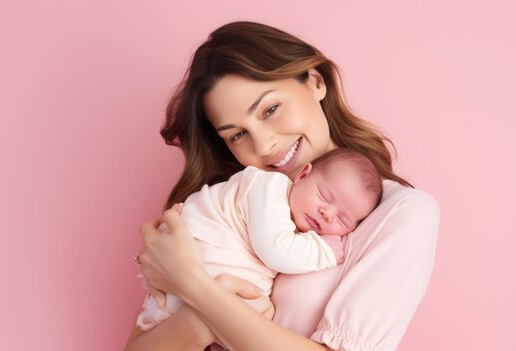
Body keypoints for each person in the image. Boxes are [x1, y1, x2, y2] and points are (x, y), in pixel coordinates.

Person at [124, 21, 440, 351]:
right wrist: (199, 314)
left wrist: (193, 284)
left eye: (270, 109)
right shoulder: (226, 207)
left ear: (316, 82)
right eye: (237, 135)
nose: (262, 146)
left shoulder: (401, 213)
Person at [136, 148, 382, 332]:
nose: (326, 213)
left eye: (342, 220)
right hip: (199, 257)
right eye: (324, 195)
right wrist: (324, 251)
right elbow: (275, 250)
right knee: (260, 313)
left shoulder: (294, 217)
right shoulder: (269, 188)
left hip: (196, 284)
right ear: (303, 175)